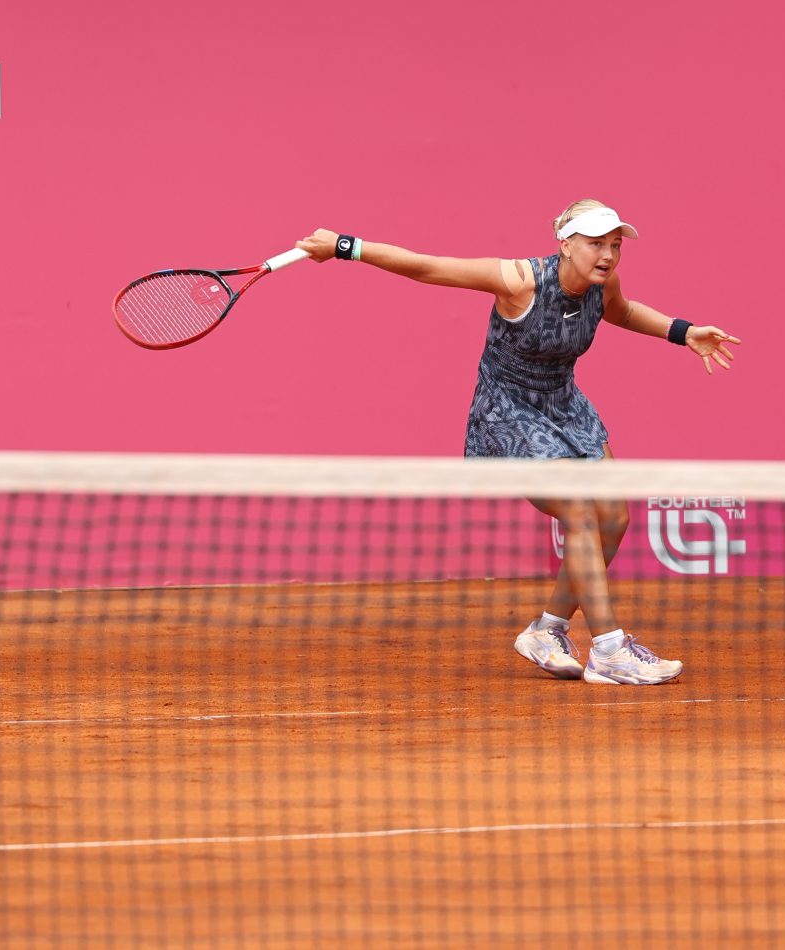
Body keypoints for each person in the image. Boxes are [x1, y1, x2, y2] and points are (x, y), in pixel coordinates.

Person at [296, 200, 740, 686]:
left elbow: (624, 312)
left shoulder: (601, 284)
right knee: (578, 510)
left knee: (615, 515)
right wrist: (345, 246)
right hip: (507, 411)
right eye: (595, 244)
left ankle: (547, 631)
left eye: (614, 245)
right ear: (565, 244)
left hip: (564, 403)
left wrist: (684, 332)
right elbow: (427, 268)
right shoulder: (518, 281)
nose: (608, 255)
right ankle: (609, 648)